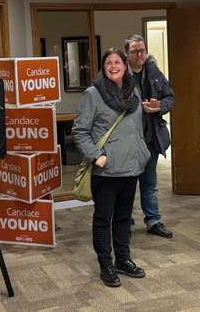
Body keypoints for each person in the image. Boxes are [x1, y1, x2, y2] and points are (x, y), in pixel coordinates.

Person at [72, 48, 151, 287]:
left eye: (118, 62)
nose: (114, 66)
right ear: (103, 67)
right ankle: (106, 264)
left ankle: (123, 259)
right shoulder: (92, 94)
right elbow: (80, 131)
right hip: (106, 170)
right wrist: (96, 156)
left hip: (131, 167)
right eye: (109, 62)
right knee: (103, 219)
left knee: (124, 218)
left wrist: (140, 150)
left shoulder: (133, 90)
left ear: (125, 66)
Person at [124, 34, 175, 238]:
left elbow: (171, 97)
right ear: (127, 53)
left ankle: (153, 220)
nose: (140, 55)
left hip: (151, 137)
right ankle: (124, 222)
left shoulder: (154, 72)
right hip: (127, 140)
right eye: (135, 51)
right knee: (126, 184)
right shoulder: (119, 75)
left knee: (149, 182)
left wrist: (159, 106)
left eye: (142, 50)